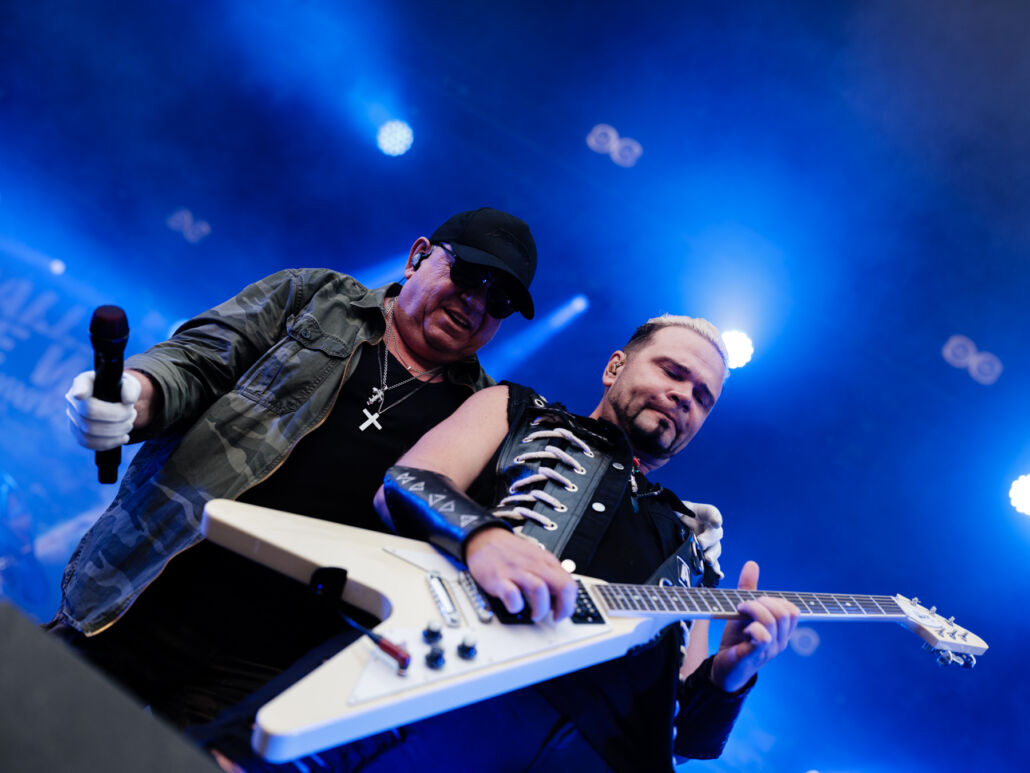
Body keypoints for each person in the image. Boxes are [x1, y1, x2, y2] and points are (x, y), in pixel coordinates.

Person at [48, 207, 547, 730]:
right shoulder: (315, 298)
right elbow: (196, 362)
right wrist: (133, 394)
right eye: (469, 275)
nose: (477, 302)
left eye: (500, 300)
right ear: (417, 256)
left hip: (273, 664)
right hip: (152, 586)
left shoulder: (481, 412)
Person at [353, 314, 800, 772]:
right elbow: (405, 483)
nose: (685, 396)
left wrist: (727, 680)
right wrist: (482, 538)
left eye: (703, 398)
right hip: (442, 716)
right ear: (615, 368)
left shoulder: (694, 547)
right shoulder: (516, 411)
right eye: (672, 371)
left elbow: (680, 744)